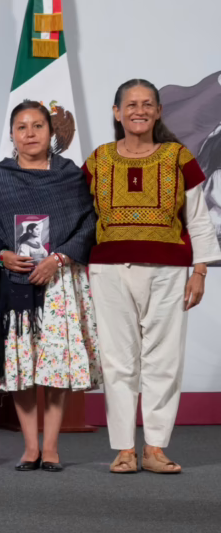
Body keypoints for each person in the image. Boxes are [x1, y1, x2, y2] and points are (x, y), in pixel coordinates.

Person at [83, 79, 221, 474]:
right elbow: (75, 211)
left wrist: (200, 270)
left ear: (159, 111)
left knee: (164, 359)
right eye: (131, 104)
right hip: (109, 271)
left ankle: (155, 448)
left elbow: (198, 219)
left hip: (169, 271)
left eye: (147, 104)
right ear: (117, 112)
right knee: (117, 361)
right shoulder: (98, 160)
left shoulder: (179, 157)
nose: (139, 111)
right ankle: (125, 449)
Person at [0, 100, 100, 472]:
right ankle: (30, 447)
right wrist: (2, 255)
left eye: (37, 126)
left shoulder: (70, 174)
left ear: (51, 133)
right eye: (21, 127)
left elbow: (89, 223)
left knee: (55, 363)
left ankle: (51, 447)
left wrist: (59, 258)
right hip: (14, 283)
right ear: (12, 134)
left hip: (58, 281)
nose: (30, 133)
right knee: (21, 364)